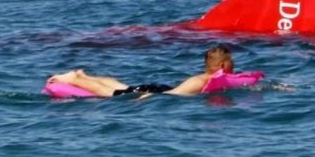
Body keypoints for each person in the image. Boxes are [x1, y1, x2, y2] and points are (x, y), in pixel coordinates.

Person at [46, 44, 235, 97]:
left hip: (160, 88)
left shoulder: (205, 79)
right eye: (231, 63)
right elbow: (174, 95)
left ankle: (83, 76)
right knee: (111, 93)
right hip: (159, 92)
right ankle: (73, 79)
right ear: (222, 66)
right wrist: (149, 97)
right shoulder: (201, 80)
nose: (233, 66)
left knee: (121, 85)